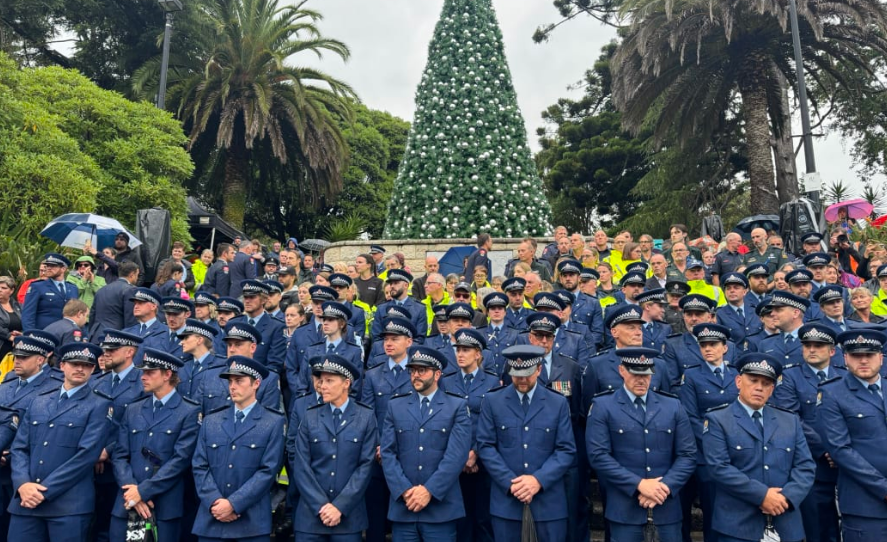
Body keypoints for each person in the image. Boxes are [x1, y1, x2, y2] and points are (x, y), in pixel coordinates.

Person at [703, 353, 815, 542]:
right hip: (738, 526)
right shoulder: (718, 419)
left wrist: (785, 498)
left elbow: (805, 467)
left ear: (772, 389)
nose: (759, 388)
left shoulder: (790, 421)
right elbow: (719, 468)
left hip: (785, 520)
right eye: (753, 380)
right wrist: (762, 495)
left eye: (765, 384)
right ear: (738, 381)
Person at [588, 346, 696, 542]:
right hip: (625, 509)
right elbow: (599, 455)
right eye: (634, 373)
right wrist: (639, 485)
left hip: (666, 507)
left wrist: (664, 487)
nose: (641, 380)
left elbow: (687, 455)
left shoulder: (672, 405)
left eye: (646, 374)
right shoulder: (603, 406)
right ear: (622, 370)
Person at [7, 342, 113, 542]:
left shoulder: (99, 404)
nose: (80, 369)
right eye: (74, 363)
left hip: (68, 505)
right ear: (62, 366)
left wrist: (43, 492)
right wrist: (22, 484)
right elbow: (20, 447)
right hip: (26, 502)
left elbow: (86, 456)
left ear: (93, 369)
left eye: (86, 365)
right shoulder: (39, 400)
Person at [476, 345, 575, 542]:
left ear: (538, 370)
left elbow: (566, 449)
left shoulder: (558, 403)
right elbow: (486, 446)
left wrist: (538, 480)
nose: (521, 379)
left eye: (527, 374)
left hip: (549, 505)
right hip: (507, 503)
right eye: (516, 374)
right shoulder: (492, 400)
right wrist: (511, 484)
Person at [108, 347, 200, 542]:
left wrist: (142, 491)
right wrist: (132, 491)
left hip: (164, 505)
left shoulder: (188, 411)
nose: (143, 377)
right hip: (127, 504)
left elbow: (180, 460)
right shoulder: (133, 409)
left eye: (150, 372)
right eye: (143, 372)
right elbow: (120, 456)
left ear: (168, 374)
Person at [381, 346, 471, 542]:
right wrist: (404, 490)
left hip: (441, 509)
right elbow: (388, 453)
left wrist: (429, 491)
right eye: (413, 370)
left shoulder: (456, 406)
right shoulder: (395, 406)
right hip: (403, 508)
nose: (416, 375)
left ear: (437, 374)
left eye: (422, 370)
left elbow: (456, 456)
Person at [190, 356, 284, 541]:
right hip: (212, 519)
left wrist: (233, 504)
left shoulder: (272, 422)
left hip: (251, 522)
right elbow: (199, 465)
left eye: (239, 381)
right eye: (230, 381)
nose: (232, 386)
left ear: (256, 383)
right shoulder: (212, 421)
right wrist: (215, 502)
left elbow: (268, 471)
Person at [769, 323, 844, 542]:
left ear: (832, 351)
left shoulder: (843, 375)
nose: (812, 349)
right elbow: (792, 419)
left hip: (846, 465)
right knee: (818, 528)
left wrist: (842, 451)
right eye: (807, 345)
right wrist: (827, 451)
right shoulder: (790, 377)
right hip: (814, 465)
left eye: (818, 346)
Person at [290, 355, 377, 542]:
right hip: (311, 517)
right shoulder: (310, 416)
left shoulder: (366, 417)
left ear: (346, 383)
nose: (323, 386)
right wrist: (322, 506)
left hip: (348, 517)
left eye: (329, 381)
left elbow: (365, 466)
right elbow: (301, 466)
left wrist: (339, 507)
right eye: (321, 381)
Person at [818, 329, 887, 539]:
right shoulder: (833, 393)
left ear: (881, 358)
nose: (863, 361)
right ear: (846, 358)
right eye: (857, 356)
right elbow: (840, 450)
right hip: (865, 505)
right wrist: (883, 488)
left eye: (870, 355)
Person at [677, 323, 738, 542]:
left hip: (736, 452)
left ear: (725, 348)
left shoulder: (737, 373)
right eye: (703, 345)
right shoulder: (692, 376)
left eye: (713, 344)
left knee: (727, 514)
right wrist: (715, 443)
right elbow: (691, 417)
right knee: (710, 508)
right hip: (705, 455)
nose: (707, 349)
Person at [360, 317, 418, 542]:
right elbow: (368, 414)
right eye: (386, 339)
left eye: (395, 339)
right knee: (375, 517)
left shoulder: (418, 372)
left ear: (409, 342)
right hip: (378, 455)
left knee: (405, 516)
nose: (389, 343)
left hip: (408, 453)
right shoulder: (373, 375)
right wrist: (380, 445)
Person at [440, 328, 499, 542]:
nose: (460, 354)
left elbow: (489, 421)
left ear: (478, 354)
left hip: (481, 459)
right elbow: (445, 421)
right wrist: (461, 454)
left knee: (483, 517)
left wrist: (474, 452)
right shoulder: (446, 381)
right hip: (454, 458)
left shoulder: (491, 382)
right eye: (458, 350)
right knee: (460, 517)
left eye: (466, 350)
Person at [237, 280, 287, 373]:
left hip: (260, 381)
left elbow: (275, 365)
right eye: (245, 297)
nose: (247, 301)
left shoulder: (276, 327)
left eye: (252, 297)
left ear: (264, 300)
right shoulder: (235, 323)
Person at [21, 253, 79, 331]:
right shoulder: (38, 286)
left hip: (67, 334)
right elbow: (28, 314)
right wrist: (30, 334)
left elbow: (77, 314)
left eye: (53, 266)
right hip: (44, 333)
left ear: (63, 269)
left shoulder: (73, 288)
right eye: (47, 265)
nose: (48, 268)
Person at [370, 270, 428, 345]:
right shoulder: (382, 309)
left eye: (396, 283)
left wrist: (401, 350)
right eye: (391, 283)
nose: (392, 286)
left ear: (406, 285)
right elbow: (376, 337)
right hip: (386, 352)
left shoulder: (419, 309)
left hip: (409, 353)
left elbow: (420, 338)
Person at [88, 261, 139, 345]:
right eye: (137, 275)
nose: (137, 278)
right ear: (132, 274)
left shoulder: (102, 290)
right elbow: (130, 319)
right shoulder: (130, 290)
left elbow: (92, 316)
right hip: (115, 339)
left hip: (95, 336)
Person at [716, 272, 762, 347]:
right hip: (735, 357)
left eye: (736, 288)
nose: (732, 291)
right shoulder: (720, 314)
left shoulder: (756, 311)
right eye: (728, 288)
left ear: (744, 291)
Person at [637, 289, 670, 354]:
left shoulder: (666, 328)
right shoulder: (632, 327)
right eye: (660, 306)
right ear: (647, 307)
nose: (663, 310)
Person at [0, 277, 22, 361]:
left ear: (12, 291)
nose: (0, 290)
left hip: (15, 348)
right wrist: (9, 336)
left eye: (4, 288)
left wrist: (21, 334)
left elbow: (25, 322)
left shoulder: (18, 306)